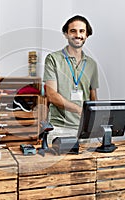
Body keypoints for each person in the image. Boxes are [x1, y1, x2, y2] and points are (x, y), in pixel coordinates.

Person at [43, 15, 99, 144]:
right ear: (66, 34)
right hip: (59, 129)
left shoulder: (92, 64)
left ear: (87, 35)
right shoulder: (53, 59)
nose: (77, 35)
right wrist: (79, 110)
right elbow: (51, 95)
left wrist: (95, 123)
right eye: (73, 31)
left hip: (84, 129)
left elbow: (93, 97)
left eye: (82, 31)